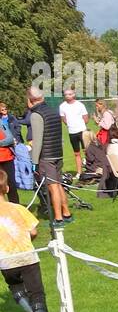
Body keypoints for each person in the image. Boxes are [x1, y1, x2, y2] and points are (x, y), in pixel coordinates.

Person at [0, 167, 52, 312]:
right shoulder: (19, 209)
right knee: (36, 291)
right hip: (28, 257)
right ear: (7, 188)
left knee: (16, 287)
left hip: (6, 260)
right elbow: (34, 232)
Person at [26, 86, 72, 226]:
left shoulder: (36, 115)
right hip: (57, 153)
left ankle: (58, 218)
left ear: (30, 99)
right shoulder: (53, 110)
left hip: (46, 156)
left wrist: (34, 161)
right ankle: (66, 213)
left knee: (52, 187)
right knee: (59, 185)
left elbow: (37, 141)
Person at [59, 87, 90, 178]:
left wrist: (79, 125)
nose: (67, 96)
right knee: (76, 153)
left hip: (82, 131)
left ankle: (90, 169)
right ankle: (79, 172)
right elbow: (64, 119)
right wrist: (71, 125)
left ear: (74, 95)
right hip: (72, 132)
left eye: (69, 94)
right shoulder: (62, 106)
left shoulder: (80, 105)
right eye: (65, 95)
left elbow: (86, 119)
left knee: (87, 151)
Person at [0, 102, 18, 204]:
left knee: (10, 185)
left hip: (5, 157)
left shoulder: (1, 123)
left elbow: (10, 139)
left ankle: (16, 209)